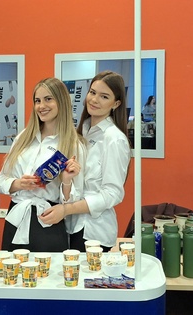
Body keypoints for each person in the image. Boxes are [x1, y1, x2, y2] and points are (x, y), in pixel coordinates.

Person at [42, 71, 131, 252]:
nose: (94, 100)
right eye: (92, 92)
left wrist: (67, 210)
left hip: (94, 231)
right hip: (68, 226)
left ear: (116, 103)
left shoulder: (114, 139)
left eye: (104, 96)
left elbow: (113, 193)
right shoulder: (80, 132)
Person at [0, 77, 85, 252]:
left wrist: (66, 180)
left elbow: (74, 199)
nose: (41, 106)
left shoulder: (73, 144)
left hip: (48, 220)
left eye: (48, 99)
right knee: (11, 268)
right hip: (16, 217)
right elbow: (0, 180)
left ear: (62, 101)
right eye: (37, 101)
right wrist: (18, 184)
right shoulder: (23, 138)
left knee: (49, 270)